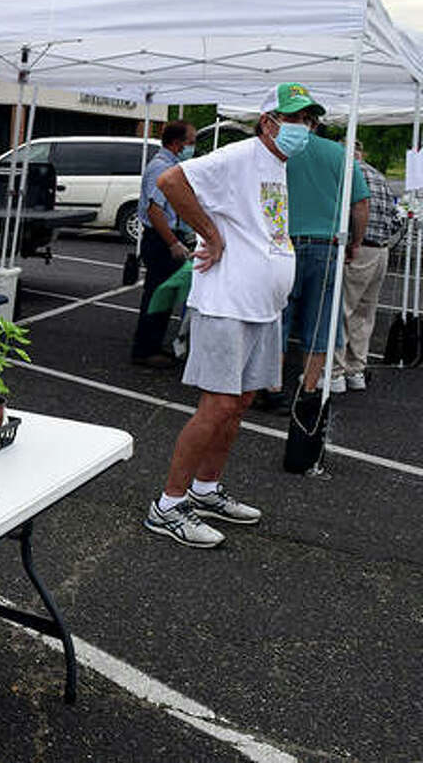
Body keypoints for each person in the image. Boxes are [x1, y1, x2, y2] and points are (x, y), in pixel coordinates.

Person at [143, 83, 316, 548]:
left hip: (261, 306)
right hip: (227, 304)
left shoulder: (276, 165)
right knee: (217, 405)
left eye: (310, 120)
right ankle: (169, 505)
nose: (304, 128)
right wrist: (210, 235)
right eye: (295, 119)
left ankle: (204, 489)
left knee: (238, 404)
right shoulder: (241, 155)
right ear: (269, 122)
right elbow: (170, 182)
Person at [255, 95, 368, 412]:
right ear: (315, 125)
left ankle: (273, 388)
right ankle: (308, 391)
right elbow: (360, 204)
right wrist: (355, 242)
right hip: (327, 246)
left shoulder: (277, 153)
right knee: (320, 322)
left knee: (279, 318)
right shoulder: (339, 154)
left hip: (282, 244)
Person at [131, 121, 197, 368]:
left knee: (164, 295)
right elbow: (155, 210)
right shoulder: (161, 168)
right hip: (160, 239)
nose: (192, 147)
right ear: (177, 143)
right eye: (190, 142)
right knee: (156, 296)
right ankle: (144, 350)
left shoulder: (173, 167)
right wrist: (172, 243)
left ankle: (153, 346)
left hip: (167, 237)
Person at [335, 141, 398, 391]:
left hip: (358, 248)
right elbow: (396, 220)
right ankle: (356, 370)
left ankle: (336, 372)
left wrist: (353, 241)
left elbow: (352, 210)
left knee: (342, 312)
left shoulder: (350, 174)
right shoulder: (379, 176)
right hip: (381, 251)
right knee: (364, 315)